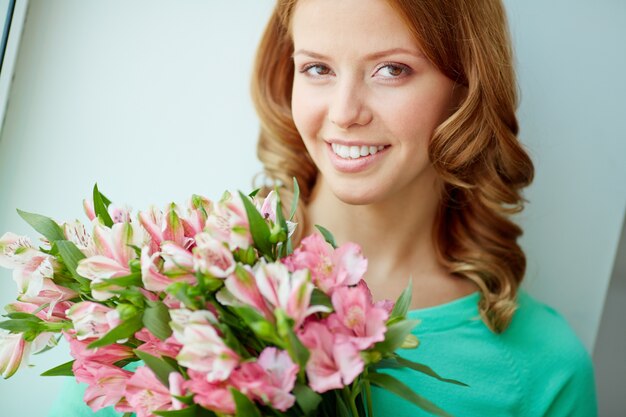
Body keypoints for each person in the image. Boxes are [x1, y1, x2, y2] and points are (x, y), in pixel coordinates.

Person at [48, 0, 597, 416]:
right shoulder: (166, 285)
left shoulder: (545, 366)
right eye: (317, 68)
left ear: (467, 88)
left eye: (392, 70)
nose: (344, 112)